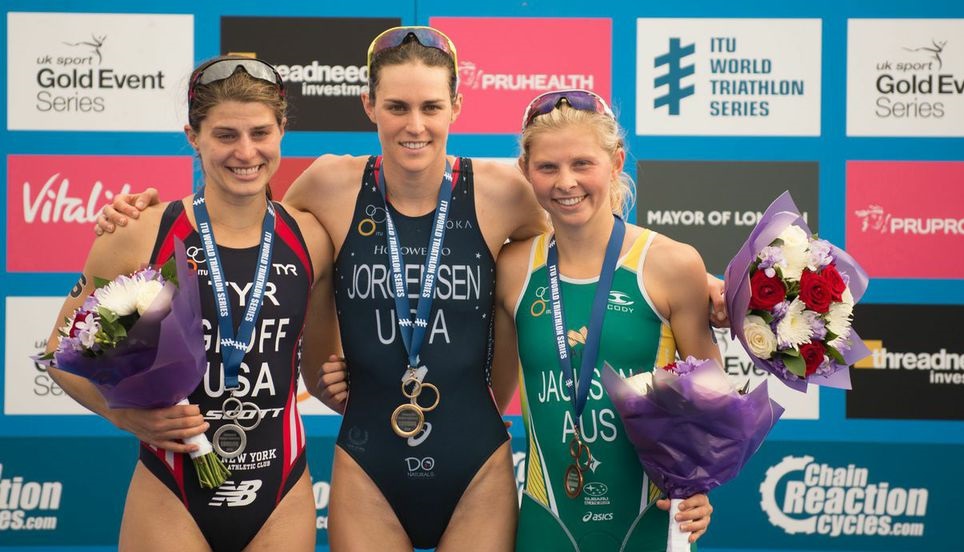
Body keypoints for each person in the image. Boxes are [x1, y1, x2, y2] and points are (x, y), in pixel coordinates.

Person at [94, 27, 728, 551]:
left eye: (430, 107)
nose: (415, 125)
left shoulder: (505, 189)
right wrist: (322, 363)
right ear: (369, 106)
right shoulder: (330, 185)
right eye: (397, 107)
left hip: (474, 462)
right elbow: (260, 248)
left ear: (456, 106)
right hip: (368, 463)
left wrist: (697, 285)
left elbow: (591, 242)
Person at [45, 57, 337, 552]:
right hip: (171, 491)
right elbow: (60, 353)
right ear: (193, 136)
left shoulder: (313, 238)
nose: (246, 152)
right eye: (225, 135)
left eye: (260, 132)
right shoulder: (140, 230)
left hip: (280, 492)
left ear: (282, 130)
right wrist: (125, 416)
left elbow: (320, 369)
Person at [491, 89, 718, 551]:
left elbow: (712, 400)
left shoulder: (671, 264)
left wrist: (701, 485)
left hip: (652, 519)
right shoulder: (512, 269)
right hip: (547, 520)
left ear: (615, 163)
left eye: (582, 164)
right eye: (548, 167)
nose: (566, 182)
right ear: (525, 172)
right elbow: (490, 393)